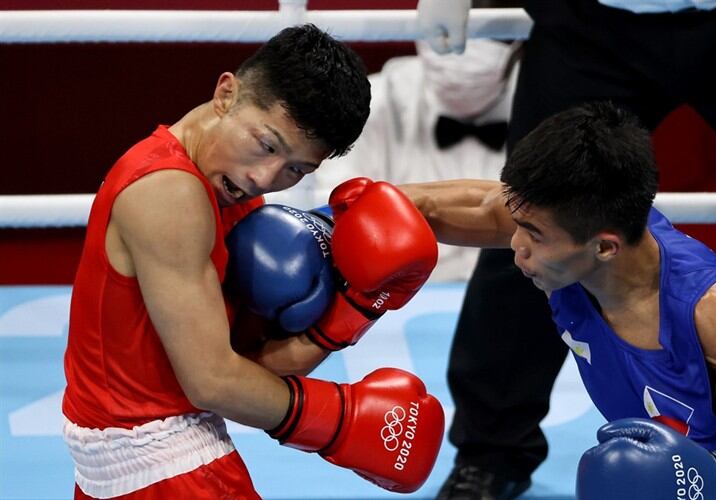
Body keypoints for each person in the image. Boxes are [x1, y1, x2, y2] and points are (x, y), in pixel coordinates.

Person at [416, 0, 716, 497]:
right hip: (594, 21)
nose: (520, 246)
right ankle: (489, 456)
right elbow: (492, 210)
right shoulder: (531, 242)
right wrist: (357, 207)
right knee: (537, 216)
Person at [61, 24, 445, 499]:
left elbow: (245, 369)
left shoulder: (232, 193)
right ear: (226, 93)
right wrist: (340, 419)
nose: (264, 177)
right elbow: (213, 382)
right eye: (266, 144)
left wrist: (350, 314)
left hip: (149, 458)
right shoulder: (169, 191)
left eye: (296, 169)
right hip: (162, 464)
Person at [401, 102, 716, 499]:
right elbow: (470, 207)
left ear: (604, 247)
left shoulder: (713, 311)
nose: (516, 245)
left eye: (533, 234)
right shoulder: (577, 222)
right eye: (518, 225)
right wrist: (361, 210)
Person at [310, 3, 521, 282]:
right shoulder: (372, 102)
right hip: (389, 288)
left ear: (518, 46)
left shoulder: (545, 107)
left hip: (515, 289)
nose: (461, 55)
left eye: (485, 41)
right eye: (447, 35)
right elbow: (332, 206)